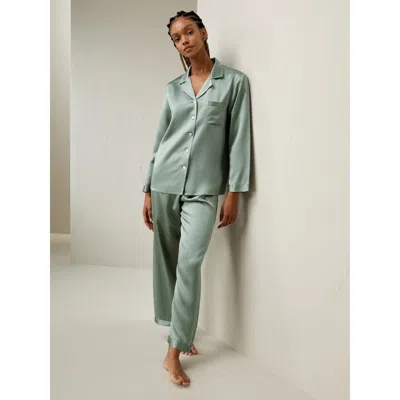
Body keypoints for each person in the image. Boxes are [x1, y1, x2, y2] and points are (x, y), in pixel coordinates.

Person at [142, 10, 251, 387]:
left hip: (204, 189)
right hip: (165, 182)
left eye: (189, 32)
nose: (184, 40)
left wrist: (234, 192)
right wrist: (147, 189)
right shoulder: (173, 88)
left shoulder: (233, 82)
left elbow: (238, 140)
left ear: (203, 33)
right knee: (168, 262)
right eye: (177, 37)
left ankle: (173, 352)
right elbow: (160, 139)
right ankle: (179, 328)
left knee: (189, 263)